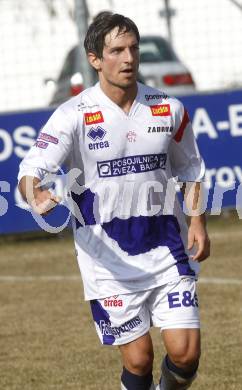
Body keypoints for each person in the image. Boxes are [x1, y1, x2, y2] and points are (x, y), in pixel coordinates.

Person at [18, 11, 210, 390]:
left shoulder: (168, 109)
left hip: (168, 247)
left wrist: (198, 222)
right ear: (95, 59)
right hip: (106, 259)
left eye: (133, 49)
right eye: (117, 50)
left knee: (186, 355)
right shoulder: (73, 114)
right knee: (139, 360)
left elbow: (192, 171)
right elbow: (31, 168)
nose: (128, 58)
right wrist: (34, 192)